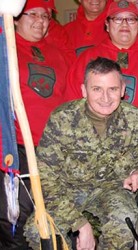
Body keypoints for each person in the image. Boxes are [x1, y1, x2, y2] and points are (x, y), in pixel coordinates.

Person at [24, 57, 138, 249]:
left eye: (113, 89)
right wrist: (80, 224)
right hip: (66, 191)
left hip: (112, 189)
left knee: (124, 224)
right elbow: (45, 179)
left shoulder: (135, 119)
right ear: (84, 91)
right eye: (97, 89)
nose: (105, 98)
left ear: (123, 90)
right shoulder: (62, 119)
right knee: (40, 231)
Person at [0, 0, 69, 248]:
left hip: (52, 150)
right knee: (15, 217)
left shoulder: (57, 54)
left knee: (52, 219)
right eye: (33, 14)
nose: (40, 21)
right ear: (16, 17)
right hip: (15, 147)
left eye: (46, 16)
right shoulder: (4, 49)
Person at [65, 0, 138, 136]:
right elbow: (72, 102)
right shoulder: (87, 58)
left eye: (131, 19)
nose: (124, 24)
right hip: (95, 144)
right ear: (107, 25)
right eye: (118, 19)